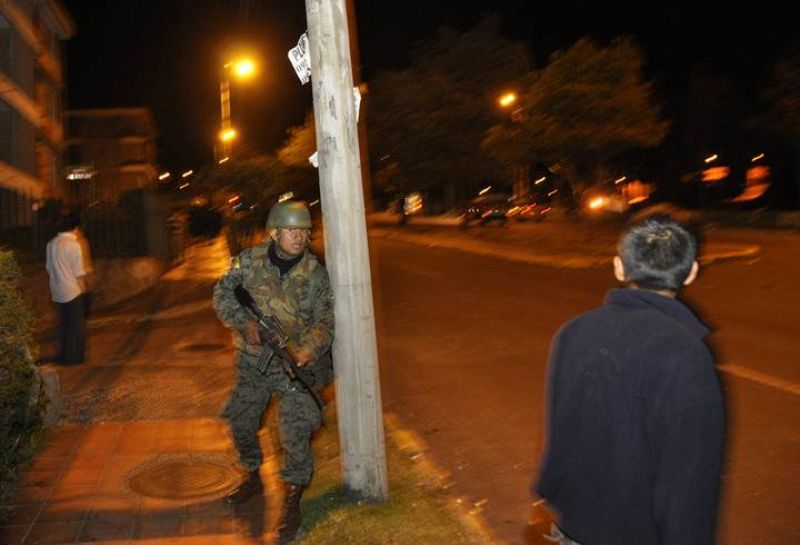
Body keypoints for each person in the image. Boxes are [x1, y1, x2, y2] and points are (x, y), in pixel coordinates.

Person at [533, 215, 725, 545]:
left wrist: (549, 490)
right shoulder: (684, 351)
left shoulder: (573, 331)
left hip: (571, 523)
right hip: (636, 532)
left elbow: (561, 423)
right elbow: (689, 476)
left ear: (619, 268)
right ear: (691, 271)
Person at [213, 200, 334, 544]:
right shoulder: (247, 262)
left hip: (295, 365)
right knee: (240, 420)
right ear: (275, 232)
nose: (299, 238)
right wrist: (244, 323)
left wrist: (306, 350)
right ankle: (252, 475)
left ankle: (292, 503)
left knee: (294, 427)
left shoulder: (315, 273)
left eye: (304, 232)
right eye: (292, 231)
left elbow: (326, 322)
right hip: (253, 360)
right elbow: (222, 294)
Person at [45, 213, 91, 365]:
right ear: (76, 228)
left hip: (57, 291)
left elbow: (49, 268)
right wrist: (84, 292)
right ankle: (75, 357)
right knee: (76, 327)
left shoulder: (51, 244)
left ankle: (62, 355)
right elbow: (78, 272)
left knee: (63, 325)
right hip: (72, 290)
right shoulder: (73, 244)